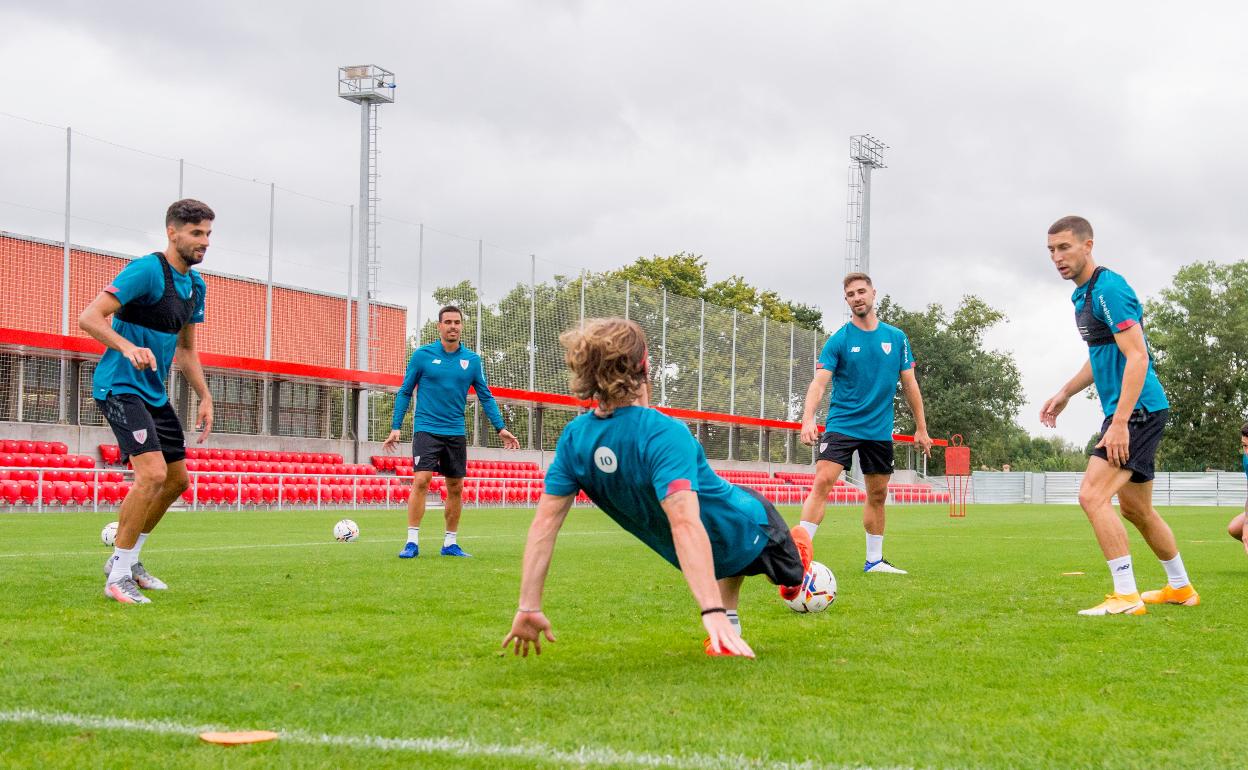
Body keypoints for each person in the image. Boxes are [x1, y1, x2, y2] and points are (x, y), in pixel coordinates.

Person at [501, 318, 813, 659]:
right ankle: (726, 633)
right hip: (715, 541)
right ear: (643, 367)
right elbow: (682, 522)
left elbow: (545, 525)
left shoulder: (578, 438)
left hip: (749, 525)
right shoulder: (657, 433)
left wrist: (528, 605)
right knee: (725, 563)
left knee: (791, 577)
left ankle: (798, 549)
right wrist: (712, 612)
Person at [1040, 215, 1197, 615]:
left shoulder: (1109, 288)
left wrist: (1122, 422)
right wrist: (1065, 393)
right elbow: (1100, 357)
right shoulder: (1083, 296)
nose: (1057, 257)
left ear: (1088, 246)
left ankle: (1126, 595)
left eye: (1065, 248)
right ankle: (1180, 588)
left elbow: (1137, 355)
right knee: (1136, 509)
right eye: (1051, 250)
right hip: (1133, 410)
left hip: (1137, 410)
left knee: (1092, 496)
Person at [79, 199, 214, 605]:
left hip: (154, 393)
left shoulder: (196, 287)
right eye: (196, 233)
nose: (203, 242)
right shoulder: (146, 270)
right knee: (152, 475)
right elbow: (89, 317)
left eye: (207, 234)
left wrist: (204, 396)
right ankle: (117, 575)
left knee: (177, 481)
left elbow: (187, 352)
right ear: (172, 232)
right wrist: (127, 346)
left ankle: (129, 560)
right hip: (119, 385)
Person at [796, 272, 932, 575]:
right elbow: (819, 384)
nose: (857, 297)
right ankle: (798, 559)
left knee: (878, 494)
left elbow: (910, 386)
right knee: (823, 481)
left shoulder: (896, 339)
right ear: (847, 301)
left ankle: (874, 561)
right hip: (843, 424)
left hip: (879, 430)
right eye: (850, 295)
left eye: (861, 291)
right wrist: (808, 418)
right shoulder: (839, 340)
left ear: (873, 294)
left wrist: (921, 428)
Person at [383, 306, 519, 558]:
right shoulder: (422, 355)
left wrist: (501, 428)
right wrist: (395, 426)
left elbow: (485, 396)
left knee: (455, 486)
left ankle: (450, 543)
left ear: (461, 326)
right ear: (439, 326)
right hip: (426, 429)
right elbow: (404, 391)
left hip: (455, 431)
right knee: (421, 480)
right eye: (448, 322)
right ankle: (412, 542)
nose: (453, 326)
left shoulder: (472, 361)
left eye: (457, 322)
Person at [1227, 422, 1248, 558]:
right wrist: (1246, 525)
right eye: (1245, 446)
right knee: (1235, 528)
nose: (1247, 452)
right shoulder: (1246, 460)